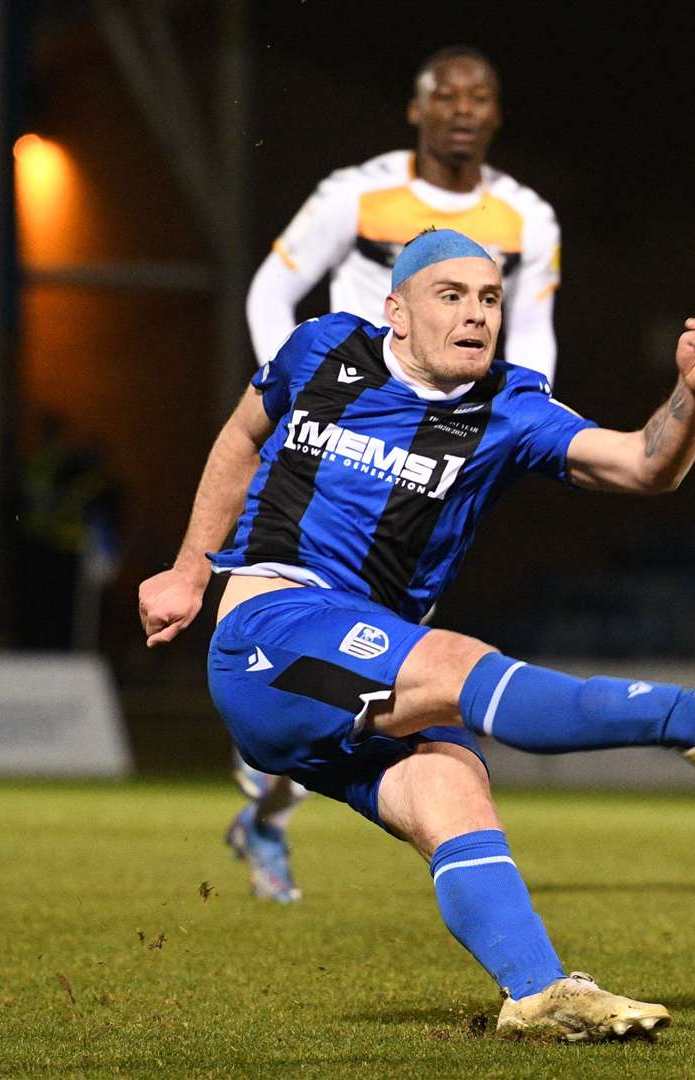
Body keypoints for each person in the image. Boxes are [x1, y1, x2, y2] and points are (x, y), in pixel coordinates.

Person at [138, 229, 695, 1040]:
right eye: (449, 295)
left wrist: (690, 395)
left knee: (449, 785)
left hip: (358, 664)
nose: (475, 315)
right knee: (455, 662)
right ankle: (690, 720)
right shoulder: (319, 350)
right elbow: (244, 435)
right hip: (267, 634)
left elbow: (641, 464)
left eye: (489, 298)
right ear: (396, 311)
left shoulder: (509, 407)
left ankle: (535, 992)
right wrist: (188, 569)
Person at [234, 46, 562, 902]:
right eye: (444, 95)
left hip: (436, 454)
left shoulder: (527, 218)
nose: (462, 109)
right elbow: (272, 290)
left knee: (385, 651)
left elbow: (532, 333)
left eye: (479, 96)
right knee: (337, 662)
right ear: (414, 110)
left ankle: (269, 805)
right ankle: (271, 802)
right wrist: (303, 407)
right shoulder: (357, 191)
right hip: (340, 448)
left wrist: (525, 426)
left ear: (495, 115)